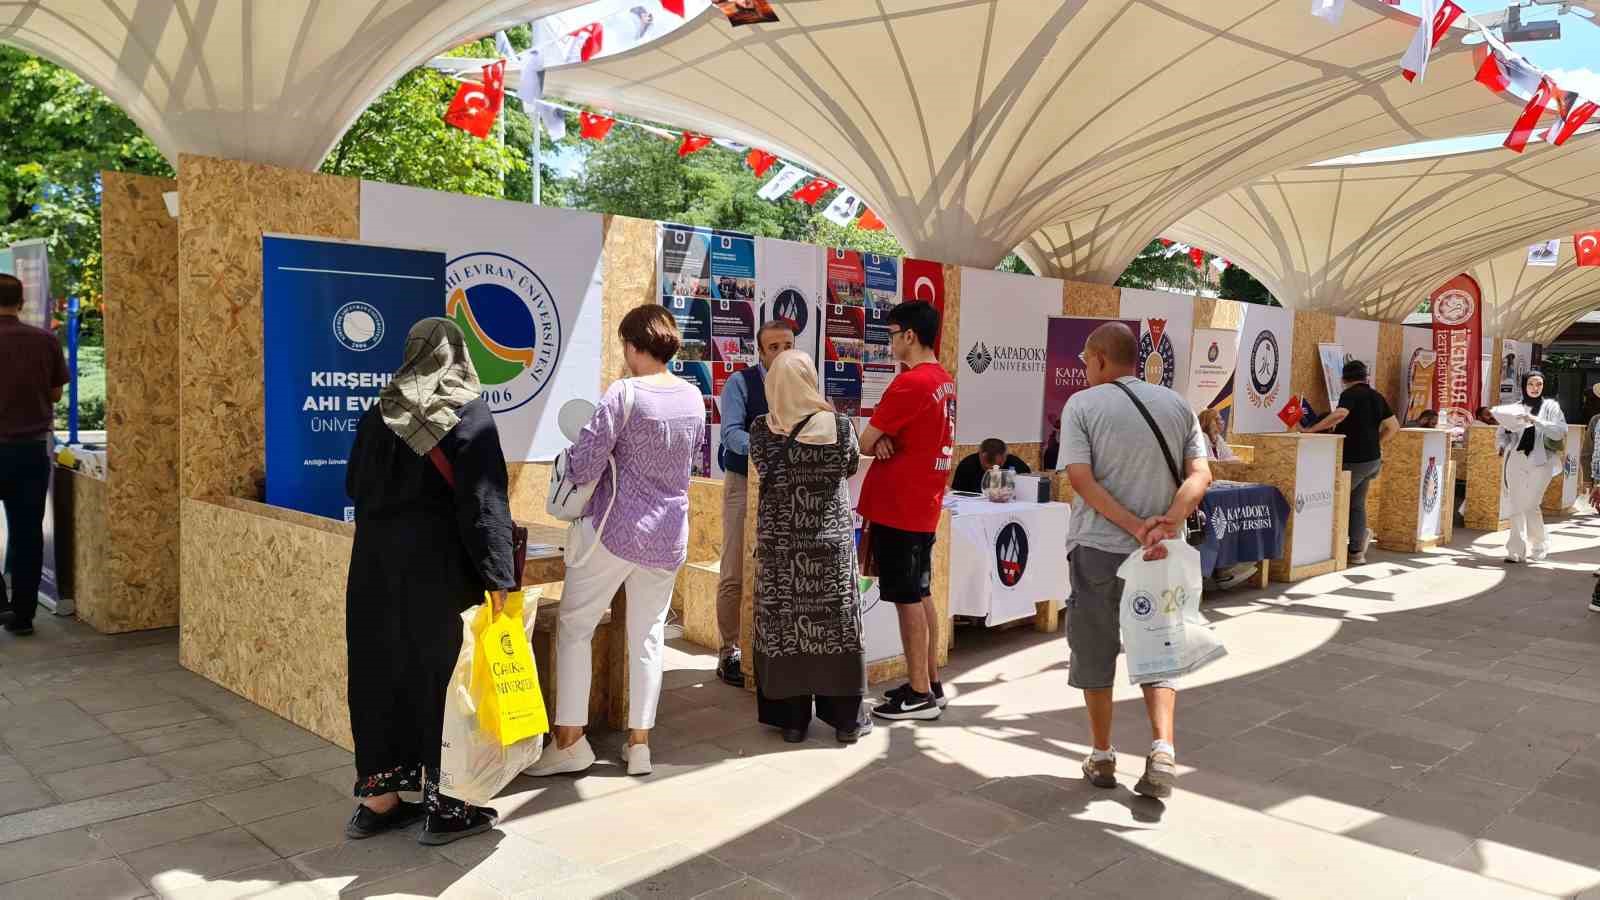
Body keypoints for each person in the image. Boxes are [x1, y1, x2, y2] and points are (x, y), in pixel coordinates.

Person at [343, 318, 513, 845]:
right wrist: (500, 578)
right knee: (446, 683)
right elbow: (484, 507)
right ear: (459, 355)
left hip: (374, 572)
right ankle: (448, 807)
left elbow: (353, 485)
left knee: (380, 675)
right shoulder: (468, 413)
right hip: (439, 575)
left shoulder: (380, 412)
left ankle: (380, 799)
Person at [528, 305, 704, 778]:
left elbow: (584, 464)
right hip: (669, 534)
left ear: (631, 345)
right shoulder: (693, 397)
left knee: (575, 626)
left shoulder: (623, 393)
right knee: (647, 638)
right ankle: (640, 745)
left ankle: (569, 741)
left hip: (614, 532)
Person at [1059, 323, 1211, 799]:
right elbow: (1200, 473)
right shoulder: (1178, 405)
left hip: (1099, 549)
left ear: (1101, 359)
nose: (1084, 370)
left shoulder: (1082, 405)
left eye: (1086, 361)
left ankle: (1102, 755)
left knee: (1094, 648)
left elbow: (1080, 479)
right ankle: (1162, 747)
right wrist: (1168, 521)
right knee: (1159, 647)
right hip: (1159, 555)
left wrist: (1132, 524)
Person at [748, 351, 870, 743]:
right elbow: (850, 466)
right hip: (829, 552)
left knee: (785, 628)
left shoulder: (762, 431)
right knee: (835, 629)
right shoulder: (839, 426)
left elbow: (763, 467)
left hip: (782, 554)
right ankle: (846, 721)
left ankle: (793, 721)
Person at [857, 301, 955, 721]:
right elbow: (883, 438)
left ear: (909, 335)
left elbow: (865, 441)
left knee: (906, 598)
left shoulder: (911, 384)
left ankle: (919, 693)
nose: (890, 340)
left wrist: (878, 439)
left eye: (892, 332)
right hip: (921, 503)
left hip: (900, 505)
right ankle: (929, 681)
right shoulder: (942, 380)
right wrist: (882, 439)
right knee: (920, 592)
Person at [714, 321, 795, 687]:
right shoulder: (740, 383)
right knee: (734, 569)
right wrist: (772, 447)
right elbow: (731, 434)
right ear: (761, 352)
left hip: (787, 489)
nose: (781, 352)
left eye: (787, 345)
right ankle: (728, 651)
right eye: (774, 346)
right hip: (743, 484)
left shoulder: (802, 384)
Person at [0, 274, 67, 638]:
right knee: (27, 533)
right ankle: (23, 616)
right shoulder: (44, 340)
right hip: (30, 451)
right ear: (21, 302)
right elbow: (56, 393)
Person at [1302, 360, 1399, 565]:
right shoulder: (1377, 396)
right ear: (1366, 377)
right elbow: (1393, 427)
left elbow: (1340, 414)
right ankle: (1356, 552)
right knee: (1356, 504)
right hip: (1372, 460)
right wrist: (1376, 442)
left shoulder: (1349, 394)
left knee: (1336, 502)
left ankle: (1329, 550)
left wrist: (1312, 430)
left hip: (1353, 460)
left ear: (1344, 379)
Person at [1498, 371, 1566, 564]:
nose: (1535, 388)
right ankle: (1515, 549)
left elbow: (1560, 432)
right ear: (1524, 386)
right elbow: (1502, 433)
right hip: (1516, 457)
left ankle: (1539, 544)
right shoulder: (1515, 408)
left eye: (1539, 384)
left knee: (1531, 503)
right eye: (1531, 384)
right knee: (1516, 503)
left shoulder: (1551, 407)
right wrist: (1502, 446)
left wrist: (1537, 421)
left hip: (1541, 460)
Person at [950, 438, 1031, 493]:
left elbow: (1027, 491)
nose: (992, 469)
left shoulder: (1017, 465)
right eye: (986, 467)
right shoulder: (967, 465)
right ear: (980, 455)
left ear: (1005, 456)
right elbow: (957, 494)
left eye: (998, 465)